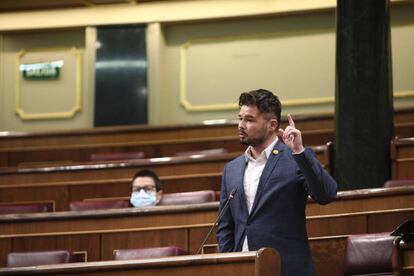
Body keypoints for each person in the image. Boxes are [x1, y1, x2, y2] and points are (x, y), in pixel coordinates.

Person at [216, 89, 337, 276]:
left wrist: (299, 151)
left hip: (287, 268)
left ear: (272, 124)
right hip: (245, 269)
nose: (240, 125)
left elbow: (326, 194)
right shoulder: (231, 169)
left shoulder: (295, 158)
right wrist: (230, 263)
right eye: (240, 118)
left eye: (249, 119)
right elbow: (225, 226)